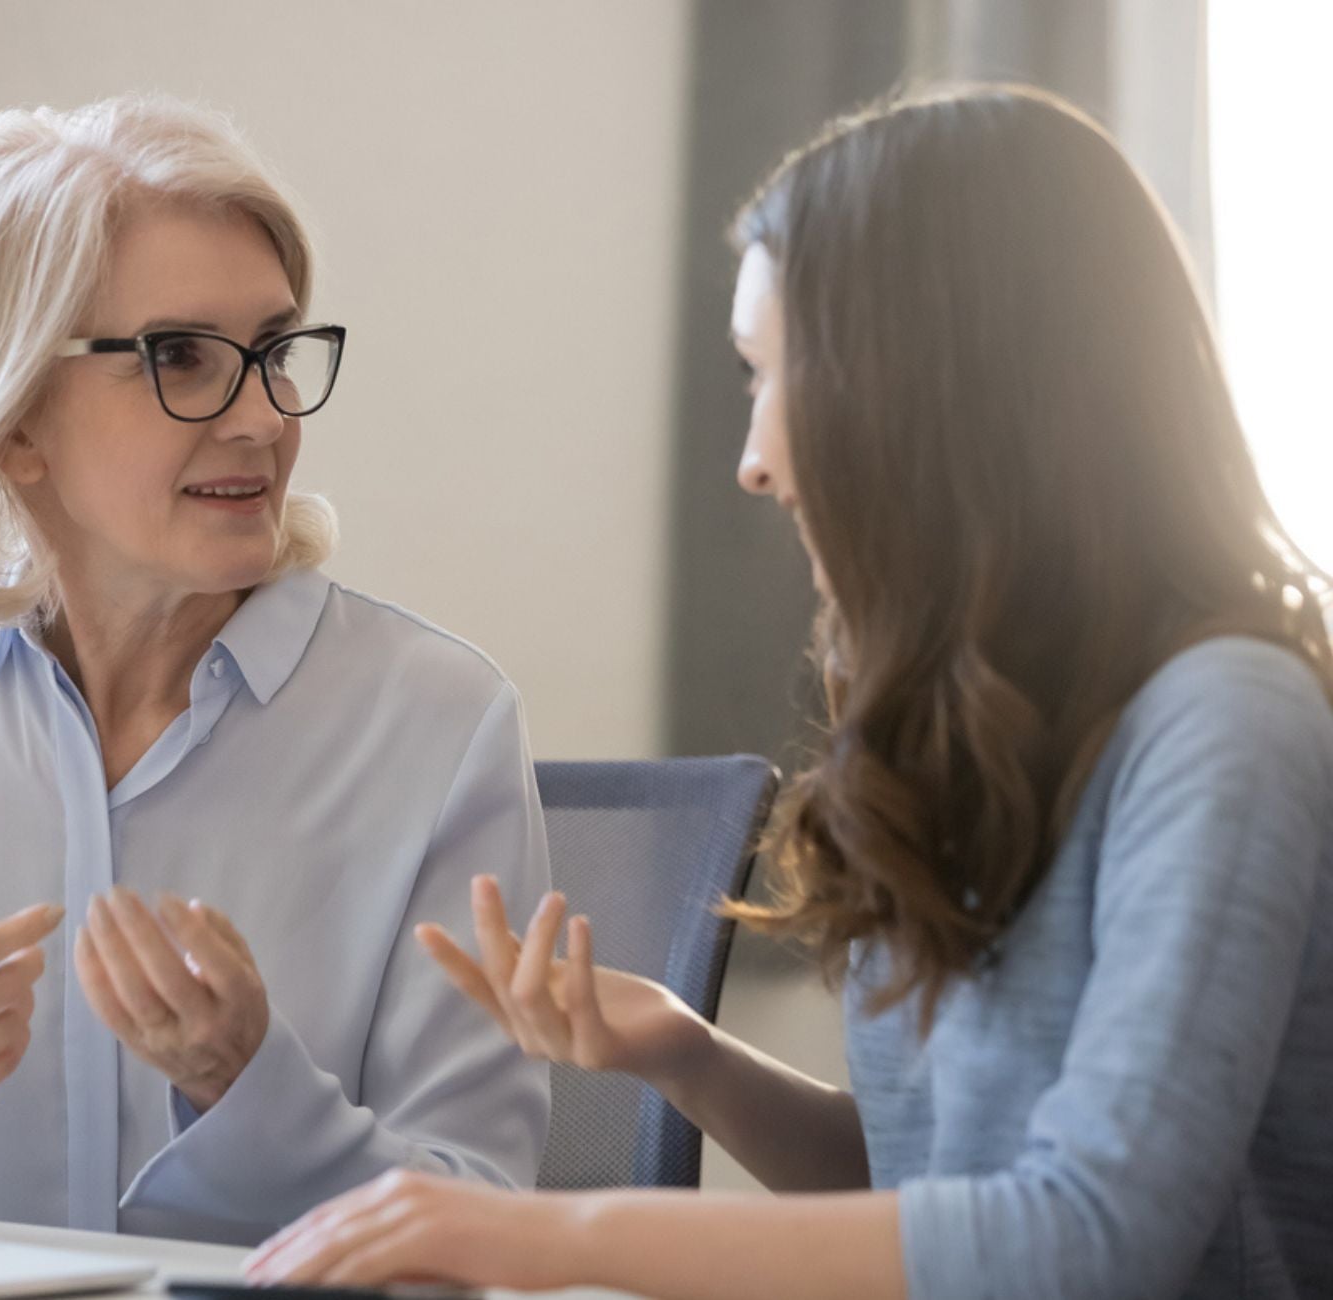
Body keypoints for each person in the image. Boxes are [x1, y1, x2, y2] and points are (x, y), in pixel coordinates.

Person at [249, 85, 1333, 1299]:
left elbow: (1082, 1240)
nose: (754, 458)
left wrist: (540, 1234)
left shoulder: (1226, 721)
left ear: (941, 388)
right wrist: (684, 1052)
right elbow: (927, 1196)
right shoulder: (973, 723)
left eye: (776, 375)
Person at [0, 94, 549, 1246]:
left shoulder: (442, 722)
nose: (259, 418)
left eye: (272, 351)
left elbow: (483, 1223)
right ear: (10, 417)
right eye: (180, 357)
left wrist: (249, 1088)